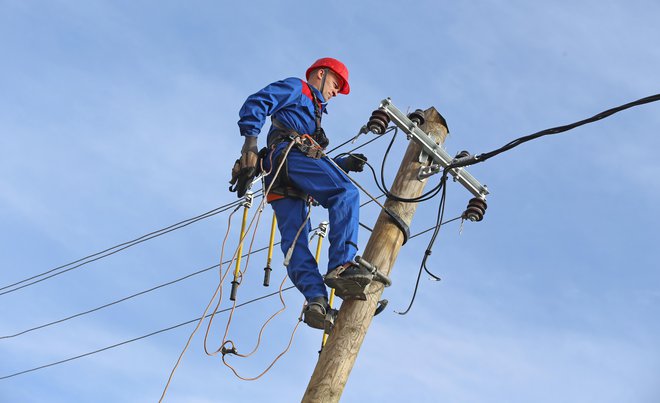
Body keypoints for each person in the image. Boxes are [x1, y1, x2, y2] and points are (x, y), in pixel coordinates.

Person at [235, 57, 371, 330]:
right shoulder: (299, 89)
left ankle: (316, 301)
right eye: (336, 84)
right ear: (321, 74)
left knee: (295, 240)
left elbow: (314, 159)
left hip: (280, 174)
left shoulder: (313, 115)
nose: (335, 92)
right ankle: (342, 266)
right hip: (288, 158)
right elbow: (259, 101)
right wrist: (249, 144)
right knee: (345, 193)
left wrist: (343, 163)